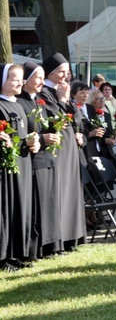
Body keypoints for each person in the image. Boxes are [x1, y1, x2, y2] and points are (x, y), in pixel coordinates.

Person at [38, 53, 86, 252]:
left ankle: (72, 237)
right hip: (57, 149)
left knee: (71, 191)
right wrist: (62, 99)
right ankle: (60, 238)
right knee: (60, 192)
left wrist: (80, 133)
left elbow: (76, 119)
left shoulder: (63, 91)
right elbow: (52, 120)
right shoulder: (43, 93)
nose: (66, 76)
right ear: (50, 73)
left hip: (70, 148)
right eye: (61, 71)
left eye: (67, 72)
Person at [16, 62, 62, 261]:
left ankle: (50, 244)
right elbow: (24, 133)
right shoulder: (19, 103)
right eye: (38, 77)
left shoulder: (39, 101)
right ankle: (37, 247)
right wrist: (42, 139)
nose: (42, 82)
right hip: (32, 161)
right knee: (36, 207)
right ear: (26, 79)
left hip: (46, 159)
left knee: (48, 203)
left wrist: (54, 135)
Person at [0, 63, 40, 271]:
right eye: (15, 79)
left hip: (23, 163)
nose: (20, 82)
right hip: (6, 169)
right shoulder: (0, 106)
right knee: (7, 209)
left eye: (21, 78)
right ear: (3, 81)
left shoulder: (18, 104)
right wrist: (24, 142)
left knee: (22, 207)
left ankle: (18, 252)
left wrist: (35, 142)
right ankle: (3, 256)